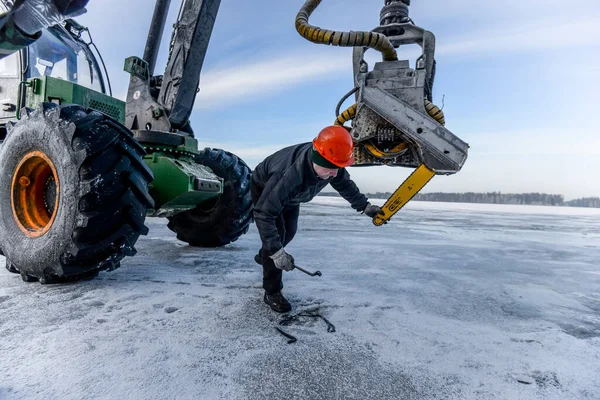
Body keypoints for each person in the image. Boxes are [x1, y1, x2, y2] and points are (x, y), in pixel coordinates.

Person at [251, 125, 384, 313]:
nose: (335, 174)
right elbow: (264, 214)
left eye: (339, 168)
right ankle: (272, 292)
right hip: (266, 189)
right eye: (331, 169)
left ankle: (265, 254)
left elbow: (345, 185)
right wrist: (276, 252)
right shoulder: (288, 175)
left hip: (292, 197)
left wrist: (364, 206)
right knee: (277, 236)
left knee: (289, 231)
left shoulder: (331, 164)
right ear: (317, 159)